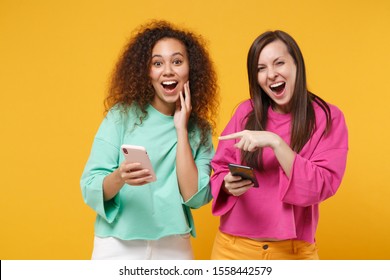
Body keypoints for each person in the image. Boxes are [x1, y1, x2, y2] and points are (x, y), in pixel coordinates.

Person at [80, 20, 219, 260]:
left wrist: (181, 129)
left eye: (177, 61)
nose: (168, 71)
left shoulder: (200, 130)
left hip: (174, 246)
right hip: (117, 244)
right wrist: (120, 177)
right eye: (157, 63)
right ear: (146, 72)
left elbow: (193, 197)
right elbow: (91, 186)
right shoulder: (121, 117)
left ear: (191, 69)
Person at [210, 30, 348, 260]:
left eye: (279, 63)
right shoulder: (246, 112)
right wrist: (226, 184)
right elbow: (220, 169)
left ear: (297, 64)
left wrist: (275, 142)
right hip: (233, 251)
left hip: (293, 254)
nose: (271, 74)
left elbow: (321, 185)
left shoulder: (328, 117)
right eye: (261, 68)